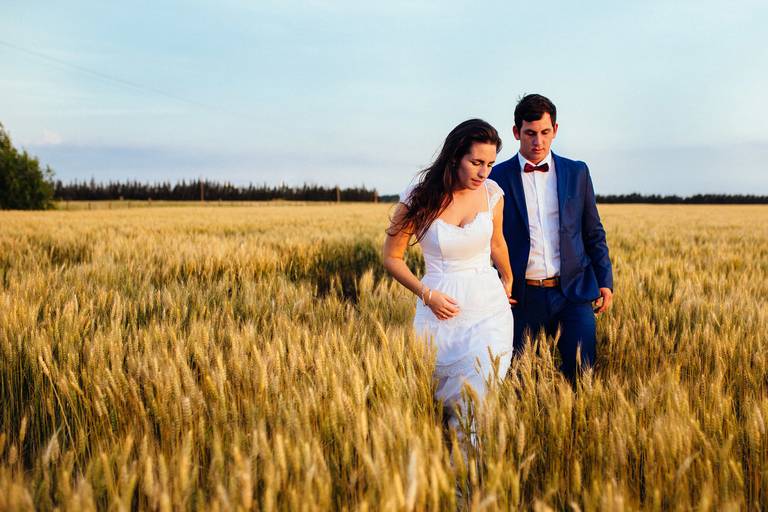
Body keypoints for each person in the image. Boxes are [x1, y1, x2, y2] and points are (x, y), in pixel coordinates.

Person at [383, 119, 516, 438]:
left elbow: (497, 243)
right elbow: (391, 258)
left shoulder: (492, 194)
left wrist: (508, 279)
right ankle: (446, 461)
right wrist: (426, 295)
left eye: (490, 164)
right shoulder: (419, 198)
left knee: (477, 398)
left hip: (489, 311)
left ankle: (469, 466)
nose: (484, 173)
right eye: (477, 162)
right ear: (455, 157)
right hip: (440, 312)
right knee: (442, 405)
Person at [488, 94, 613, 383]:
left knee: (582, 375)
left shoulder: (577, 172)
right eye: (530, 133)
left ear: (555, 130)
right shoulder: (496, 177)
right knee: (518, 379)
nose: (538, 141)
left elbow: (593, 231)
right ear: (516, 132)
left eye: (545, 132)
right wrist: (495, 284)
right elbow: (486, 238)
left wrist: (605, 280)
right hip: (520, 297)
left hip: (573, 293)